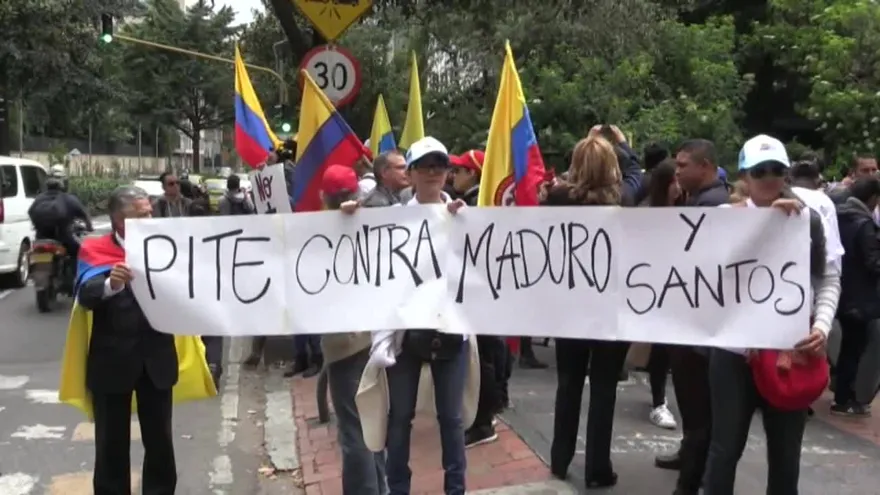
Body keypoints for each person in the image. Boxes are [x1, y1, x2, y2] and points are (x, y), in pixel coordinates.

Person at [703, 134, 840, 494]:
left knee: (785, 456)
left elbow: (827, 279)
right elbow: (704, 276)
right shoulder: (724, 219)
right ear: (744, 177)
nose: (768, 178)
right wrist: (763, 227)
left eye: (776, 170)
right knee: (724, 449)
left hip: (788, 351)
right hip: (734, 354)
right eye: (759, 171)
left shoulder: (809, 221)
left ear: (786, 175)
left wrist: (821, 326)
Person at [343, 136, 472, 495]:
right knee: (399, 418)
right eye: (425, 166)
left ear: (448, 172)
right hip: (405, 335)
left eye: (440, 165)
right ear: (411, 174)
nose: (433, 172)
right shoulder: (391, 219)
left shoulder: (463, 216)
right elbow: (358, 253)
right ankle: (398, 489)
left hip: (450, 330)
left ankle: (456, 489)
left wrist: (465, 223)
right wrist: (347, 220)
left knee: (452, 418)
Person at [543, 128, 641, 489]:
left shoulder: (556, 198)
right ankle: (598, 468)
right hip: (611, 309)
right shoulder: (623, 199)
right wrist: (624, 144)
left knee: (568, 383)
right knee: (604, 387)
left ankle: (560, 458)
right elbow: (636, 176)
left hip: (568, 307)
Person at [76, 186, 178, 495]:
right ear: (119, 220)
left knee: (160, 441)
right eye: (140, 215)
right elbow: (86, 296)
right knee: (111, 444)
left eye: (150, 213)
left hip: (157, 359)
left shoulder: (169, 246)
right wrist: (111, 284)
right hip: (112, 361)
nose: (149, 219)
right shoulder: (95, 250)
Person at [657, 139, 729, 495]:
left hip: (698, 330)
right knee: (692, 405)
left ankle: (690, 481)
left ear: (706, 166)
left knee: (699, 408)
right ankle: (689, 458)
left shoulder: (713, 205)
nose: (677, 170)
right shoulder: (699, 199)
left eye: (684, 165)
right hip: (690, 323)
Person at [314, 164, 388, 494]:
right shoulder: (372, 224)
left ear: (323, 196)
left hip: (345, 344)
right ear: (357, 192)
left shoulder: (315, 234)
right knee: (373, 422)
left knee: (354, 430)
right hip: (374, 337)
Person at [640, 158, 682, 430]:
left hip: (675, 289)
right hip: (653, 289)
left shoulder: (683, 210)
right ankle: (658, 402)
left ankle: (659, 399)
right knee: (659, 347)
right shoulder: (647, 213)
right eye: (674, 180)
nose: (679, 186)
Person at [833, 175, 880, 416]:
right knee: (855, 348)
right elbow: (873, 262)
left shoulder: (840, 217)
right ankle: (845, 398)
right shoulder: (864, 224)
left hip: (842, 290)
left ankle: (841, 391)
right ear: (872, 198)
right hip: (860, 297)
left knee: (848, 347)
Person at [29, 177, 93, 260]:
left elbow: (30, 211)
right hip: (62, 237)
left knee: (33, 253)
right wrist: (89, 227)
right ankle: (73, 268)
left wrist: (36, 224)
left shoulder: (39, 198)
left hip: (41, 238)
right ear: (61, 187)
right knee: (79, 252)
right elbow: (83, 214)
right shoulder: (68, 198)